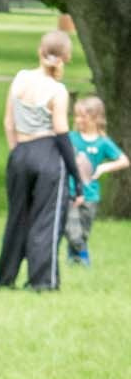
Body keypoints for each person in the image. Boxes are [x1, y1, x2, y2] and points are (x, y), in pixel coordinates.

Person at [0, 29, 86, 289]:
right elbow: (61, 133)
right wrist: (75, 178)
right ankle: (42, 281)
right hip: (48, 154)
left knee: (17, 217)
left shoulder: (20, 79)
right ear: (66, 57)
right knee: (46, 220)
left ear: (40, 51)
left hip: (20, 153)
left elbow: (8, 121)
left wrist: (16, 151)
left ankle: (5, 279)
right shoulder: (57, 90)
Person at [65, 95, 126, 267]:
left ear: (96, 118)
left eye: (83, 116)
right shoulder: (71, 138)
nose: (79, 120)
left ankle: (74, 257)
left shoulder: (103, 142)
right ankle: (84, 257)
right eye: (76, 116)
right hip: (70, 191)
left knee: (83, 232)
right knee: (72, 229)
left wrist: (103, 168)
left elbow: (124, 160)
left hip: (91, 194)